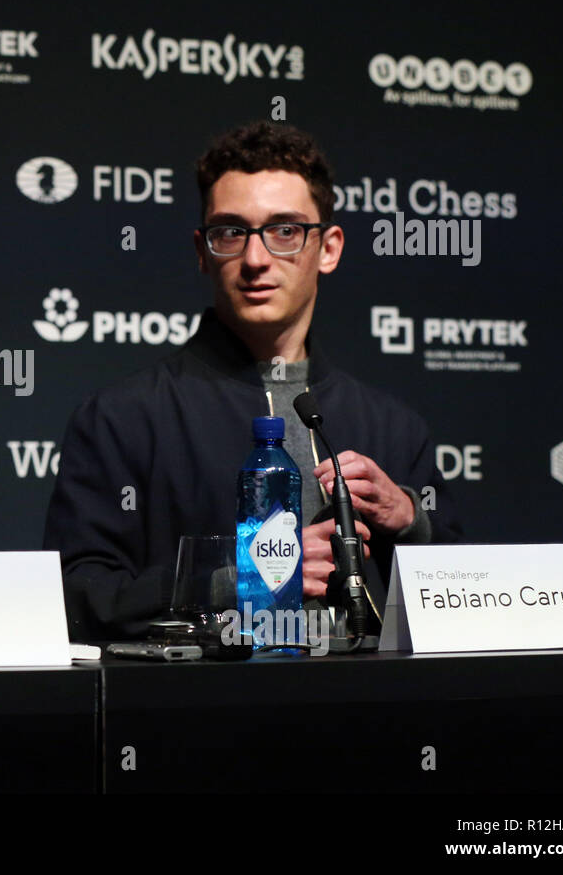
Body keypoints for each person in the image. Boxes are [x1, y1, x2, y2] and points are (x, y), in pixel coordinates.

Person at [44, 121, 462, 641]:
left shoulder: (393, 426)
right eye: (231, 232)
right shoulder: (123, 418)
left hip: (368, 710)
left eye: (285, 231)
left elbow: (467, 601)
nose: (256, 260)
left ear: (328, 248)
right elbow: (73, 596)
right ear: (203, 251)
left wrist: (410, 521)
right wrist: (230, 582)